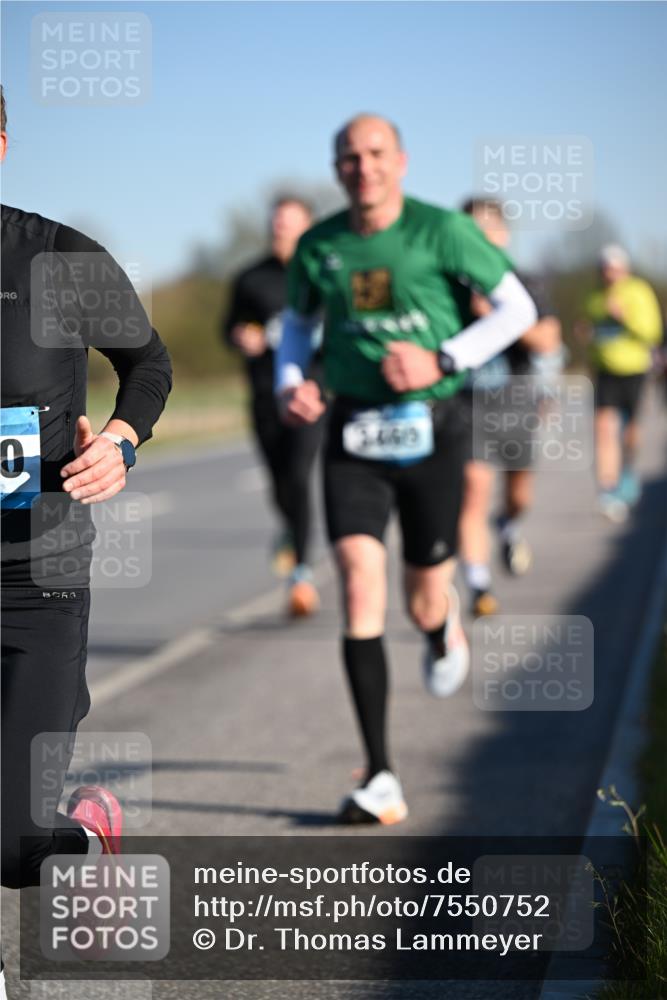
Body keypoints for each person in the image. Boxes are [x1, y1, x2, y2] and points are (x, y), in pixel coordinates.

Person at [275, 114, 537, 824]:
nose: (362, 167)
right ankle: (381, 776)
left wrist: (443, 358)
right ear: (336, 169)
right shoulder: (318, 245)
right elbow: (298, 324)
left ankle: (438, 620)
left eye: (375, 154)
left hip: (435, 424)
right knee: (359, 578)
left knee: (422, 591)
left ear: (401, 161)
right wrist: (289, 378)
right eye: (348, 158)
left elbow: (518, 309)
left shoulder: (442, 232)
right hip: (354, 426)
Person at [0, 83, 172, 920]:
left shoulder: (58, 256)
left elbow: (149, 363)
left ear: (0, 143)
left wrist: (120, 442)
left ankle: (87, 832)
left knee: (12, 842)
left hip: (39, 571)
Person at [457, 198, 562, 616]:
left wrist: (503, 318)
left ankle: (509, 524)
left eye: (488, 228)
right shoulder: (449, 284)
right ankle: (479, 587)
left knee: (519, 496)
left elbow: (549, 341)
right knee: (473, 493)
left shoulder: (525, 282)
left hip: (517, 402)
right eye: (470, 230)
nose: (481, 237)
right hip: (467, 406)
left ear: (504, 235)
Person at [223, 197, 325, 616]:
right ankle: (291, 528)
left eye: (290, 224)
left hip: (311, 395)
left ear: (307, 228)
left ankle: (300, 574)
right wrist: (240, 336)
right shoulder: (250, 278)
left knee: (299, 477)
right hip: (265, 395)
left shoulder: (323, 274)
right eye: (276, 224)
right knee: (280, 482)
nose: (280, 230)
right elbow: (227, 327)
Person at [580, 244, 662, 522]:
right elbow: (595, 333)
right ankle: (607, 489)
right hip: (605, 372)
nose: (609, 274)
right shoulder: (594, 296)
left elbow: (653, 332)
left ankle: (627, 472)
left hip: (634, 370)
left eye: (614, 269)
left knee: (630, 431)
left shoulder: (638, 291)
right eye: (605, 269)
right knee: (603, 428)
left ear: (624, 269)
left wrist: (624, 317)